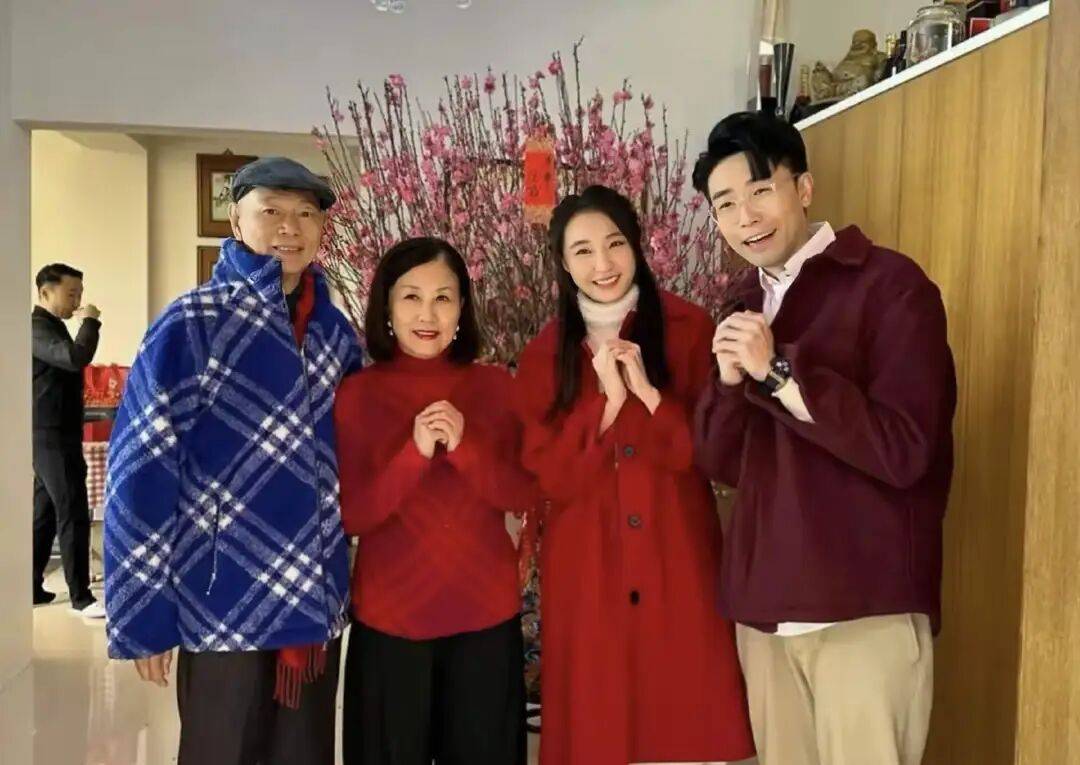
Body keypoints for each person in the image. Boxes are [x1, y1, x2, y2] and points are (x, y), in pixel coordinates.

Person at [691, 111, 957, 765]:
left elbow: (906, 449)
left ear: (803, 187)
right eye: (725, 204)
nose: (747, 217)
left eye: (761, 190)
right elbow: (722, 464)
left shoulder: (890, 285)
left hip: (863, 610)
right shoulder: (739, 306)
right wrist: (729, 383)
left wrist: (780, 372)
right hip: (764, 611)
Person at [104, 157, 362, 765]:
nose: (290, 227)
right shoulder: (192, 323)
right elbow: (138, 472)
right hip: (221, 595)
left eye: (305, 213)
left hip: (313, 601)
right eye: (271, 210)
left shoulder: (335, 333)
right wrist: (141, 613)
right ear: (237, 220)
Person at [515, 185, 755, 765]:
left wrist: (649, 396)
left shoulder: (690, 328)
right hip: (587, 570)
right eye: (582, 251)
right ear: (562, 263)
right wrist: (606, 405)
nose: (603, 264)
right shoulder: (544, 354)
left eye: (615, 243)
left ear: (637, 244)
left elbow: (710, 452)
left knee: (683, 725)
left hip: (678, 556)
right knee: (599, 725)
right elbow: (550, 477)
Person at [335, 236, 534, 765]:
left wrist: (466, 448)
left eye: (443, 298)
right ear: (386, 306)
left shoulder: (496, 387)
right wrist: (415, 453)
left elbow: (522, 492)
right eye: (411, 297)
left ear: (462, 308)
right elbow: (353, 514)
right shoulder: (358, 394)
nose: (428, 314)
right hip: (391, 621)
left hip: (485, 618)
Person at [31, 263, 105, 617]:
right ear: (45, 292)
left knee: (45, 513)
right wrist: (90, 322)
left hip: (55, 431)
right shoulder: (35, 328)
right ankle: (81, 598)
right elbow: (75, 358)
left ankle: (30, 586)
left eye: (80, 294)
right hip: (49, 433)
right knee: (73, 510)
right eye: (71, 293)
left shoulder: (52, 327)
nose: (77, 300)